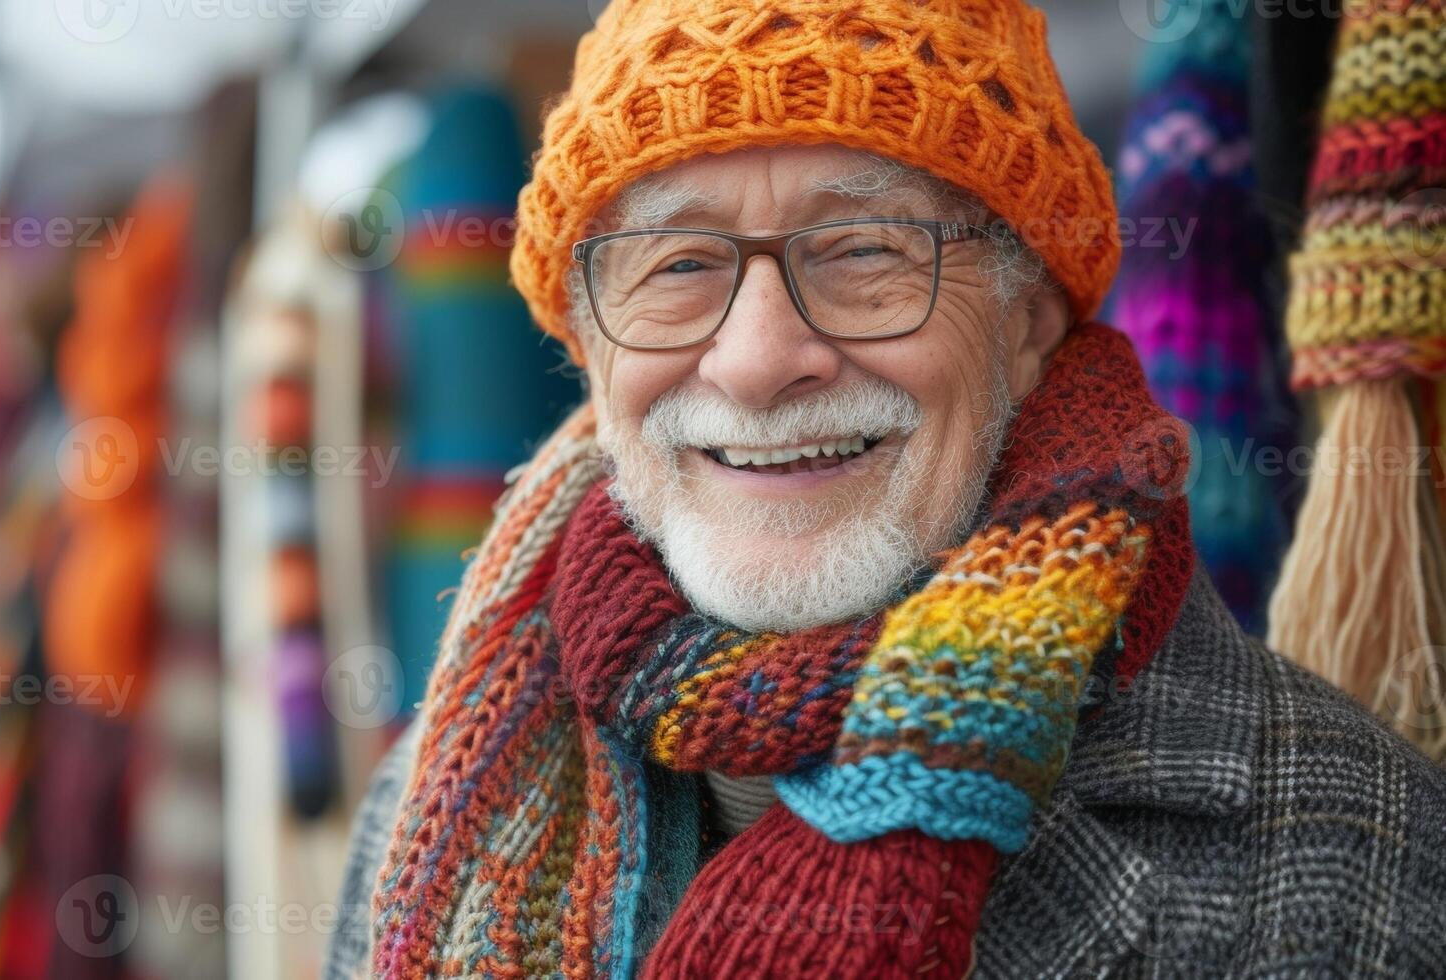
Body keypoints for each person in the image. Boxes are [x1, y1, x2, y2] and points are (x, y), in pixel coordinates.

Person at [329, 2, 1446, 976]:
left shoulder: (1349, 847)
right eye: (678, 265)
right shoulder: (428, 799)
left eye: (863, 250)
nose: (759, 359)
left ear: (1027, 321)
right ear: (587, 345)